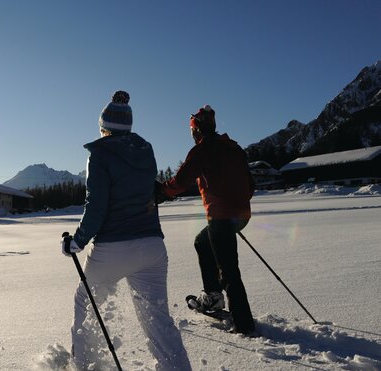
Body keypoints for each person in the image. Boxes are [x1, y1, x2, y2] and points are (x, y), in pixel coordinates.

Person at [61, 91, 191, 370]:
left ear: (104, 127)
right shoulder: (146, 151)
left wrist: (78, 241)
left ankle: (84, 364)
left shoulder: (100, 154)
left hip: (114, 247)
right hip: (153, 247)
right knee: (157, 319)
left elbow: (96, 206)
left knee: (85, 301)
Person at [161, 105, 256, 334]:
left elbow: (180, 182)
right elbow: (251, 185)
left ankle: (244, 323)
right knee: (202, 242)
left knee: (229, 270)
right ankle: (212, 295)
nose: (192, 135)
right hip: (241, 215)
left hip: (222, 218)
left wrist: (159, 191)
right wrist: (236, 207)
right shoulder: (233, 148)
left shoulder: (202, 150)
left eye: (192, 131)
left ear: (197, 130)